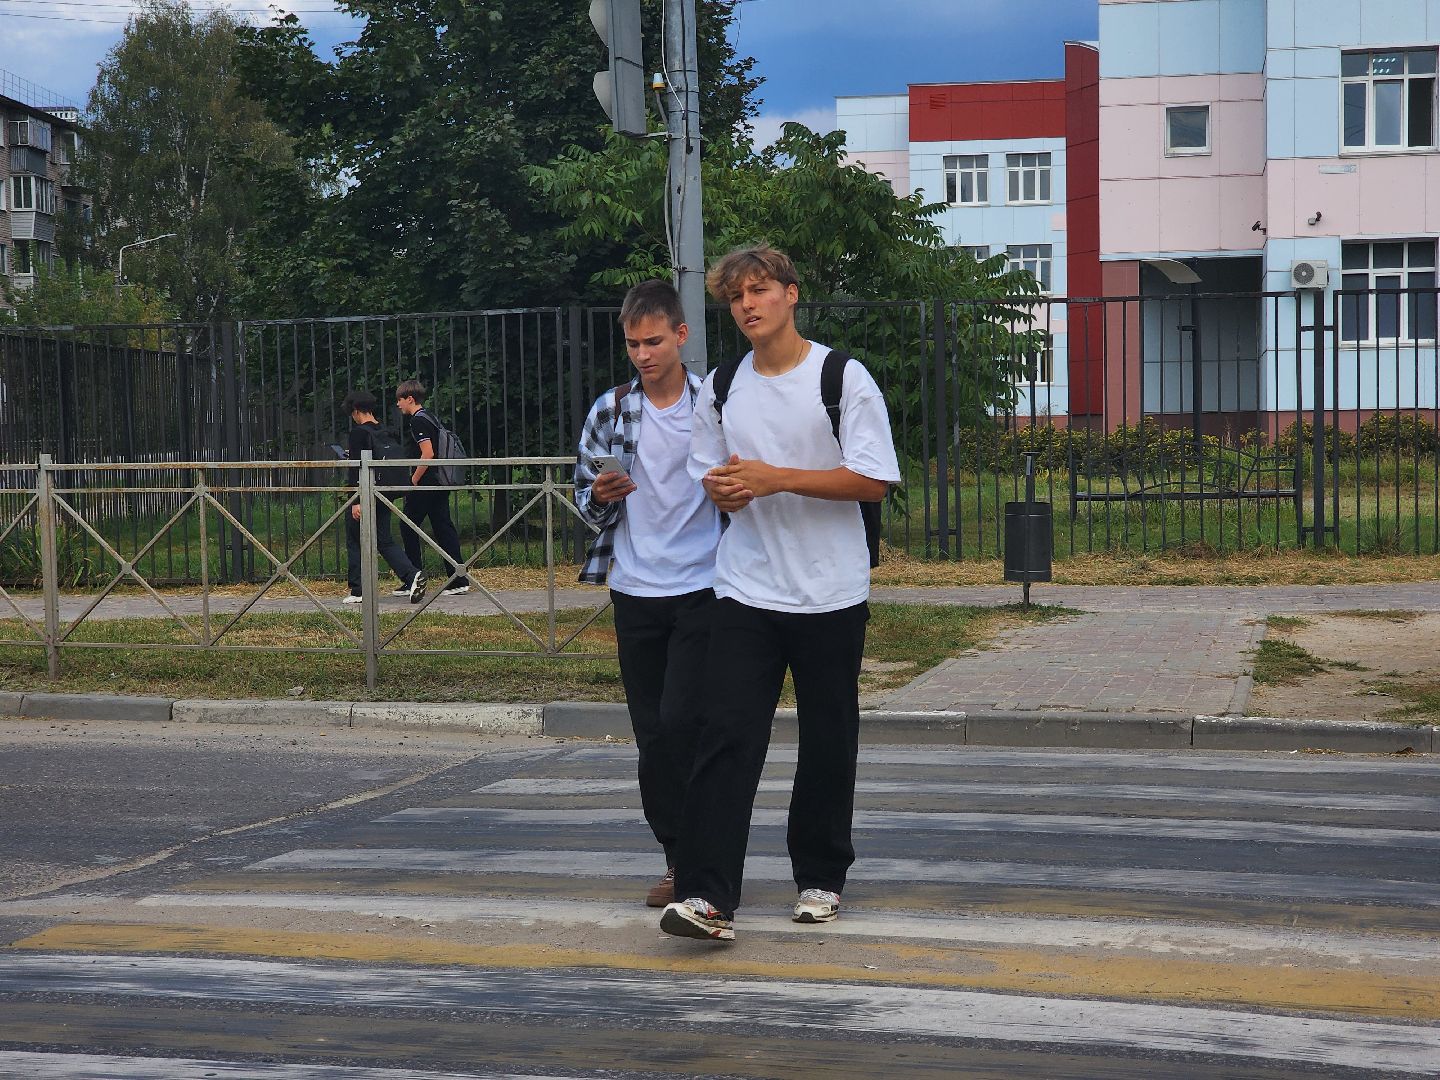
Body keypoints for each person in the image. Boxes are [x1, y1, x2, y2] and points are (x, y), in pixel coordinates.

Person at [660, 245, 900, 943]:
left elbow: (872, 479)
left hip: (830, 590)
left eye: (759, 290)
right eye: (736, 297)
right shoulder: (724, 384)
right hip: (745, 587)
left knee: (829, 739)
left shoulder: (840, 377)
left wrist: (776, 477)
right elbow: (707, 469)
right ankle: (707, 898)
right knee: (726, 735)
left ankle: (820, 878)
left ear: (792, 294)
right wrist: (724, 485)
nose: (747, 305)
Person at [575, 279, 722, 908]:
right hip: (634, 588)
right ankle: (676, 857)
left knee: (684, 720)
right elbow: (584, 495)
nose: (643, 354)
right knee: (652, 733)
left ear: (681, 336)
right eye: (634, 343)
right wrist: (599, 498)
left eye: (654, 341)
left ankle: (701, 862)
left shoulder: (715, 405)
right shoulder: (610, 410)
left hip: (706, 585)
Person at [340, 390, 427, 605]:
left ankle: (358, 589)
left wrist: (355, 500)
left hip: (365, 493)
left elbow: (356, 468)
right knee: (384, 539)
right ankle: (412, 575)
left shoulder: (359, 433)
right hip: (384, 492)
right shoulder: (385, 431)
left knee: (354, 538)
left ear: (355, 411)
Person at [394, 379, 469, 596]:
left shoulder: (418, 421)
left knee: (408, 526)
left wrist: (413, 480)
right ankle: (458, 578)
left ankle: (412, 578)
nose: (398, 405)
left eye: (400, 400)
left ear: (410, 399)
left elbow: (427, 454)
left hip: (428, 483)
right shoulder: (430, 416)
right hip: (440, 482)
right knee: (443, 526)